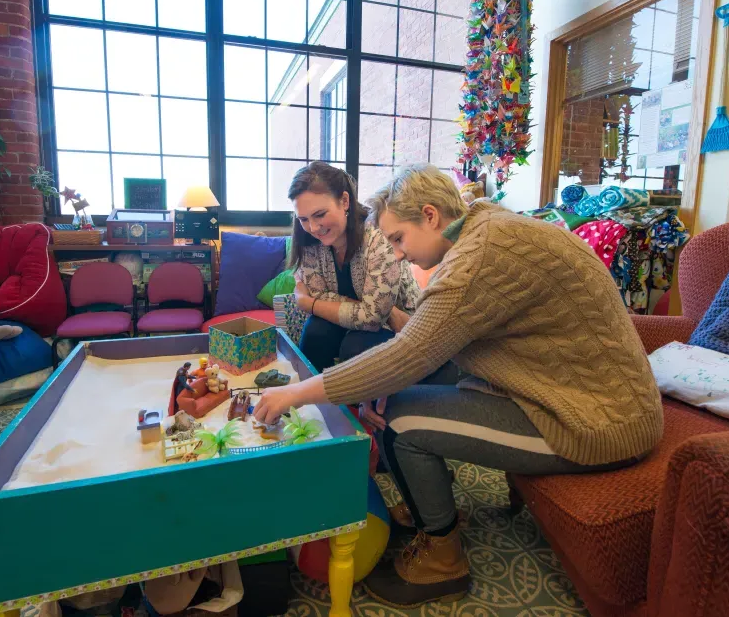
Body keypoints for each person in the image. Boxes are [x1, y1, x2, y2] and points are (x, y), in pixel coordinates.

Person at [254, 165, 664, 607]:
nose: (396, 254)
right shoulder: (486, 225)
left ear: (430, 216)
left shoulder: (475, 260)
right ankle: (425, 503)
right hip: (568, 390)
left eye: (397, 239)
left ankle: (442, 558)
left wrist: (296, 392)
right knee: (400, 389)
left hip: (598, 420)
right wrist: (389, 375)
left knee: (401, 419)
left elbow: (407, 353)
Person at [288, 162, 419, 375]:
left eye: (320, 214)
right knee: (315, 331)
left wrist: (308, 303)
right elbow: (319, 292)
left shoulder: (378, 236)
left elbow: (373, 319)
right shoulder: (309, 241)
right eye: (303, 219)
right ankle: (310, 402)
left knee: (356, 347)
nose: (312, 227)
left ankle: (352, 406)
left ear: (345, 201)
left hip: (399, 325)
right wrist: (371, 309)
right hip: (368, 318)